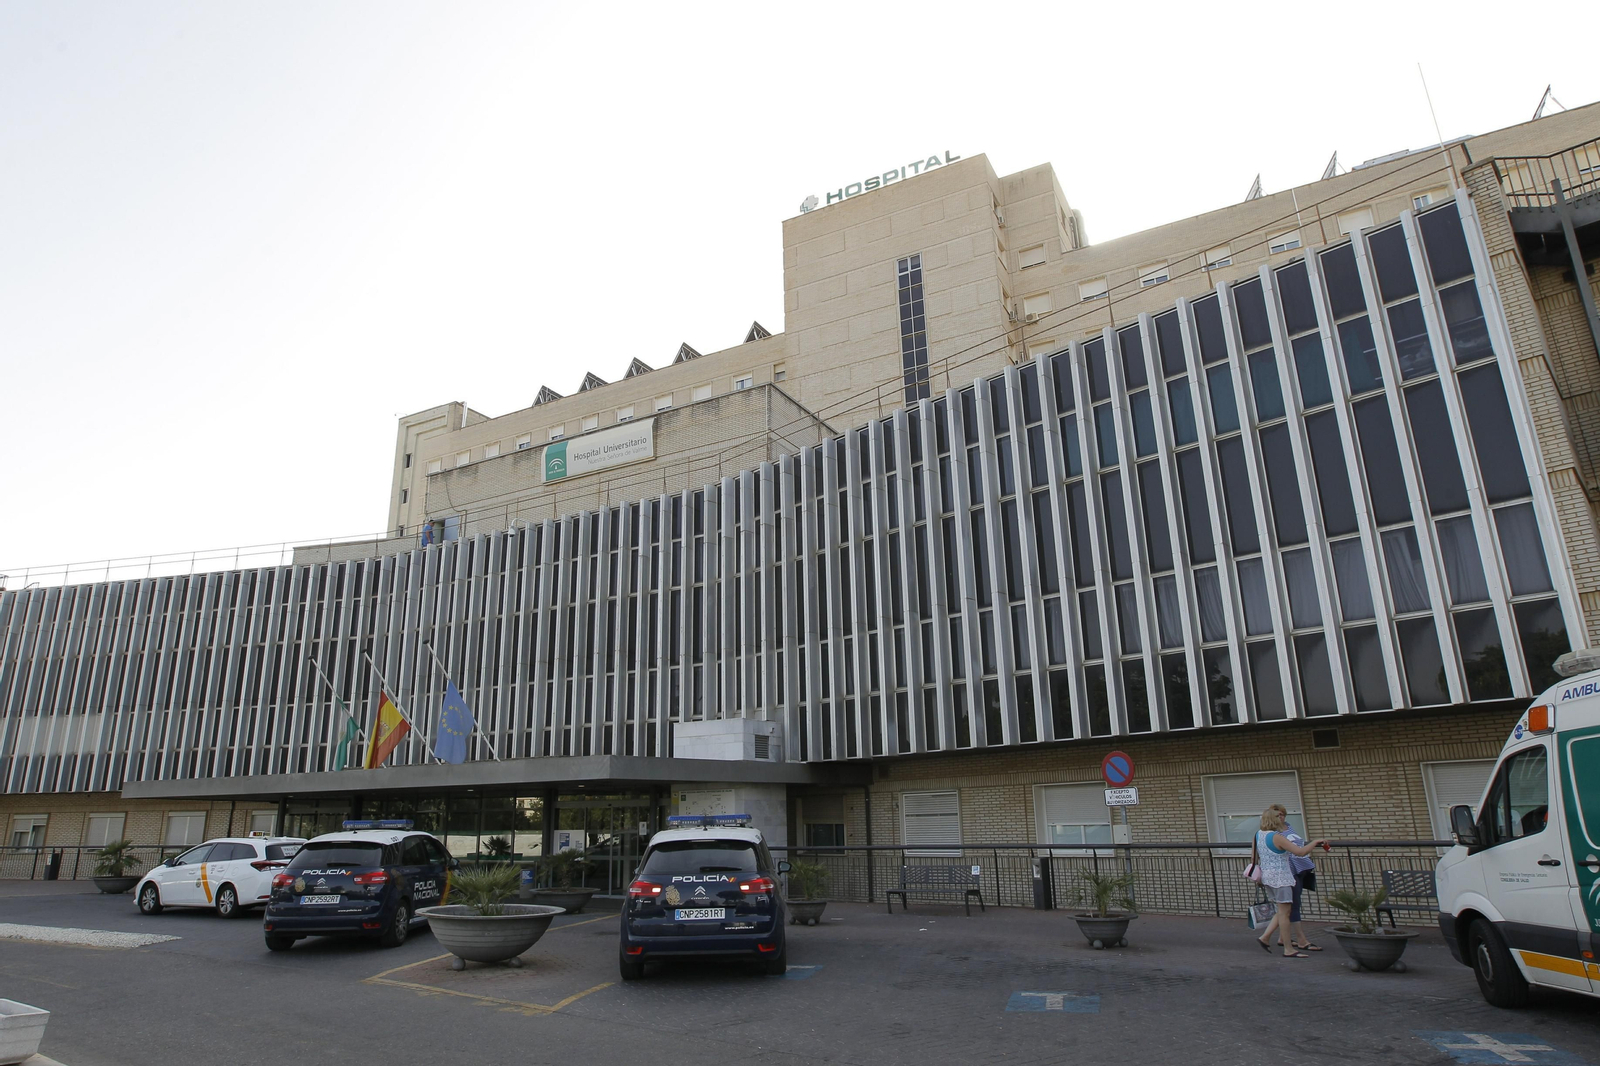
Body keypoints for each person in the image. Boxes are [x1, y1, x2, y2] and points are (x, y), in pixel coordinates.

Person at [1252, 805, 1329, 958]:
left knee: (1281, 910)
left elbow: (1254, 858)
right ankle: (1288, 949)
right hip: (1282, 877)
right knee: (1285, 913)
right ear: (1273, 820)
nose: (1281, 819)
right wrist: (1315, 842)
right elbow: (1300, 852)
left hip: (1267, 876)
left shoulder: (1258, 835)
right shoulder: (1277, 837)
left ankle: (1265, 938)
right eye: (1278, 817)